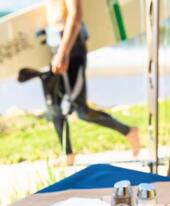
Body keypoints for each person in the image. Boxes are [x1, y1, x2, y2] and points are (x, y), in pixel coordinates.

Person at [44, 0, 140, 165]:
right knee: (54, 106)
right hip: (54, 48)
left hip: (71, 52)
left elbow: (76, 16)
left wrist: (63, 52)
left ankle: (129, 131)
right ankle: (67, 154)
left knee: (81, 111)